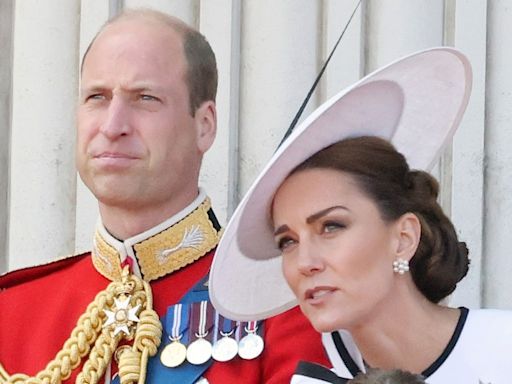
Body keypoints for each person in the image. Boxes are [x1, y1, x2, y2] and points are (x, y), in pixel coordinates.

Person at [0, 9, 329, 384]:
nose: (112, 126)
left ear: (204, 126)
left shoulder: (287, 307)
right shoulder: (12, 312)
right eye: (97, 97)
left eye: (145, 98)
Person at [209, 47, 512, 383]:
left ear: (403, 238)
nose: (304, 262)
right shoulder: (304, 373)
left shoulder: (502, 350)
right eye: (288, 241)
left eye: (331, 226)